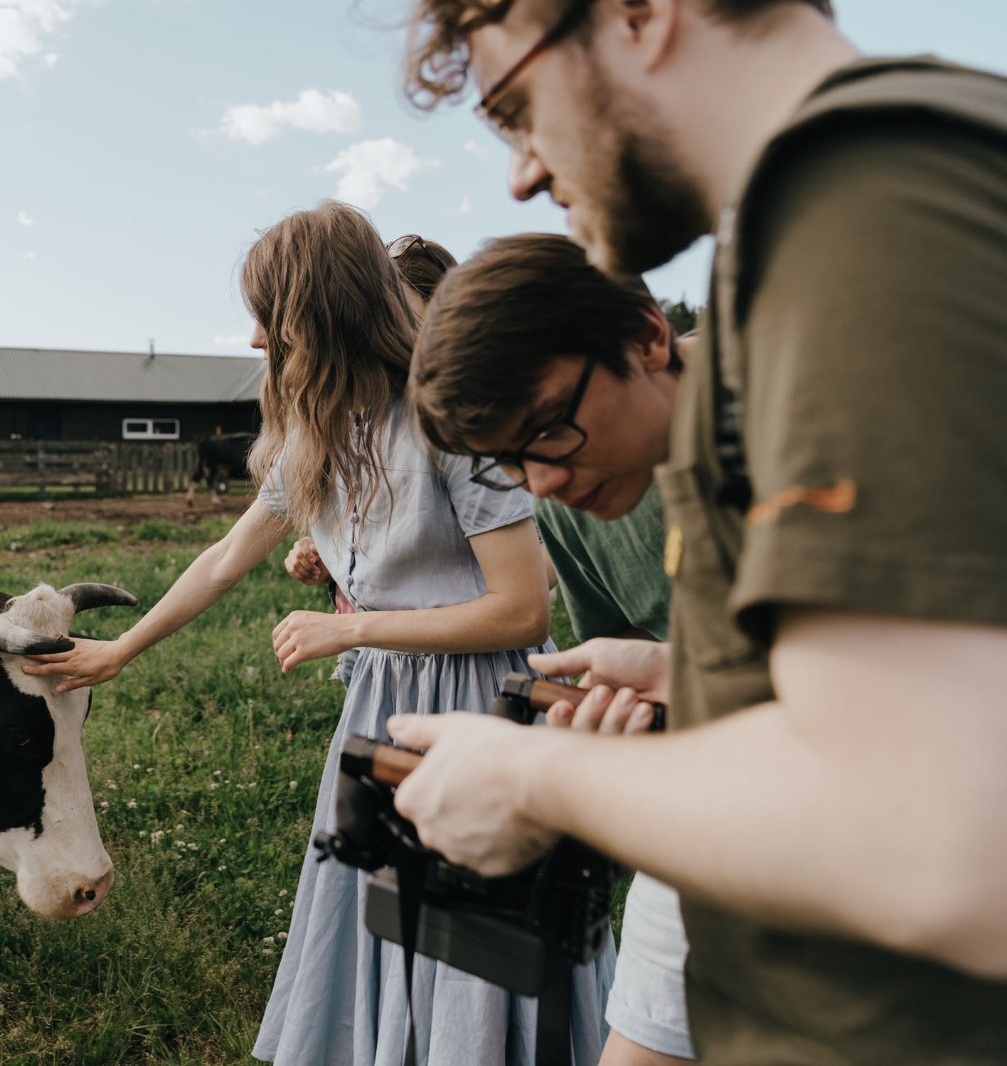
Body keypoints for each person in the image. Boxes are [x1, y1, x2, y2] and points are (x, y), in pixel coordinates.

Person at [391, 1, 1007, 1063]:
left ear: (637, 13)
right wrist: (692, 672)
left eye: (514, 107)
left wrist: (533, 779)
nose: (522, 174)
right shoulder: (809, 242)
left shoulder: (859, 217)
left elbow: (937, 846)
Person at [22, 200, 613, 1064]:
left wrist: (352, 629)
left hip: (480, 710)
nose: (257, 343)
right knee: (388, 922)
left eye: (268, 318)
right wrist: (122, 649)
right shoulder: (318, 434)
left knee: (475, 945)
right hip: (382, 709)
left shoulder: (453, 421)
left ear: (316, 315)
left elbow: (522, 611)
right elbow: (225, 557)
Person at [414, 232, 694, 1065]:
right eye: (506, 462)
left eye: (547, 431)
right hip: (713, 821)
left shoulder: (814, 423)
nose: (540, 483)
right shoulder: (573, 495)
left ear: (647, 337)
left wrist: (546, 784)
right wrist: (658, 688)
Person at [285, 232, 460, 688]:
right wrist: (320, 547)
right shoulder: (348, 423)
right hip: (365, 652)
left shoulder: (458, 426)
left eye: (410, 323)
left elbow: (531, 581)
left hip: (449, 664)